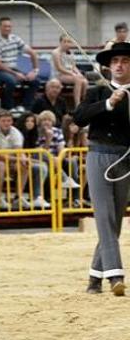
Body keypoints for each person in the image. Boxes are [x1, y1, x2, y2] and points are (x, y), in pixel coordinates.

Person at [74, 41, 130, 296]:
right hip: (98, 156)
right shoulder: (98, 91)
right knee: (105, 218)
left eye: (125, 61)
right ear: (108, 66)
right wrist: (108, 104)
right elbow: (79, 118)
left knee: (114, 221)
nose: (119, 65)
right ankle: (115, 275)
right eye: (116, 61)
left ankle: (95, 278)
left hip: (125, 160)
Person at [0, 110, 50, 209]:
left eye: (8, 121)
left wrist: (24, 159)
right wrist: (19, 158)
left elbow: (19, 151)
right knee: (1, 164)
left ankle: (19, 197)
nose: (6, 123)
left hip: (12, 160)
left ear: (12, 121)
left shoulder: (15, 132)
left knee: (24, 164)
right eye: (3, 121)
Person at [0, 16, 40, 111]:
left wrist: (35, 71)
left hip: (11, 68)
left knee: (35, 81)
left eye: (9, 26)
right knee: (11, 81)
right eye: (5, 26)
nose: (7, 28)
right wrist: (16, 74)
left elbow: (32, 53)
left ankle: (24, 107)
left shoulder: (15, 39)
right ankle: (8, 108)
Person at [50, 34, 88, 107]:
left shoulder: (70, 53)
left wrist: (78, 73)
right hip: (58, 75)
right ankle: (77, 104)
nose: (67, 44)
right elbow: (59, 68)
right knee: (78, 80)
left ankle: (84, 101)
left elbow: (73, 67)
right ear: (61, 42)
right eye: (65, 41)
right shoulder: (56, 52)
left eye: (69, 42)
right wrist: (72, 74)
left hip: (69, 74)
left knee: (85, 81)